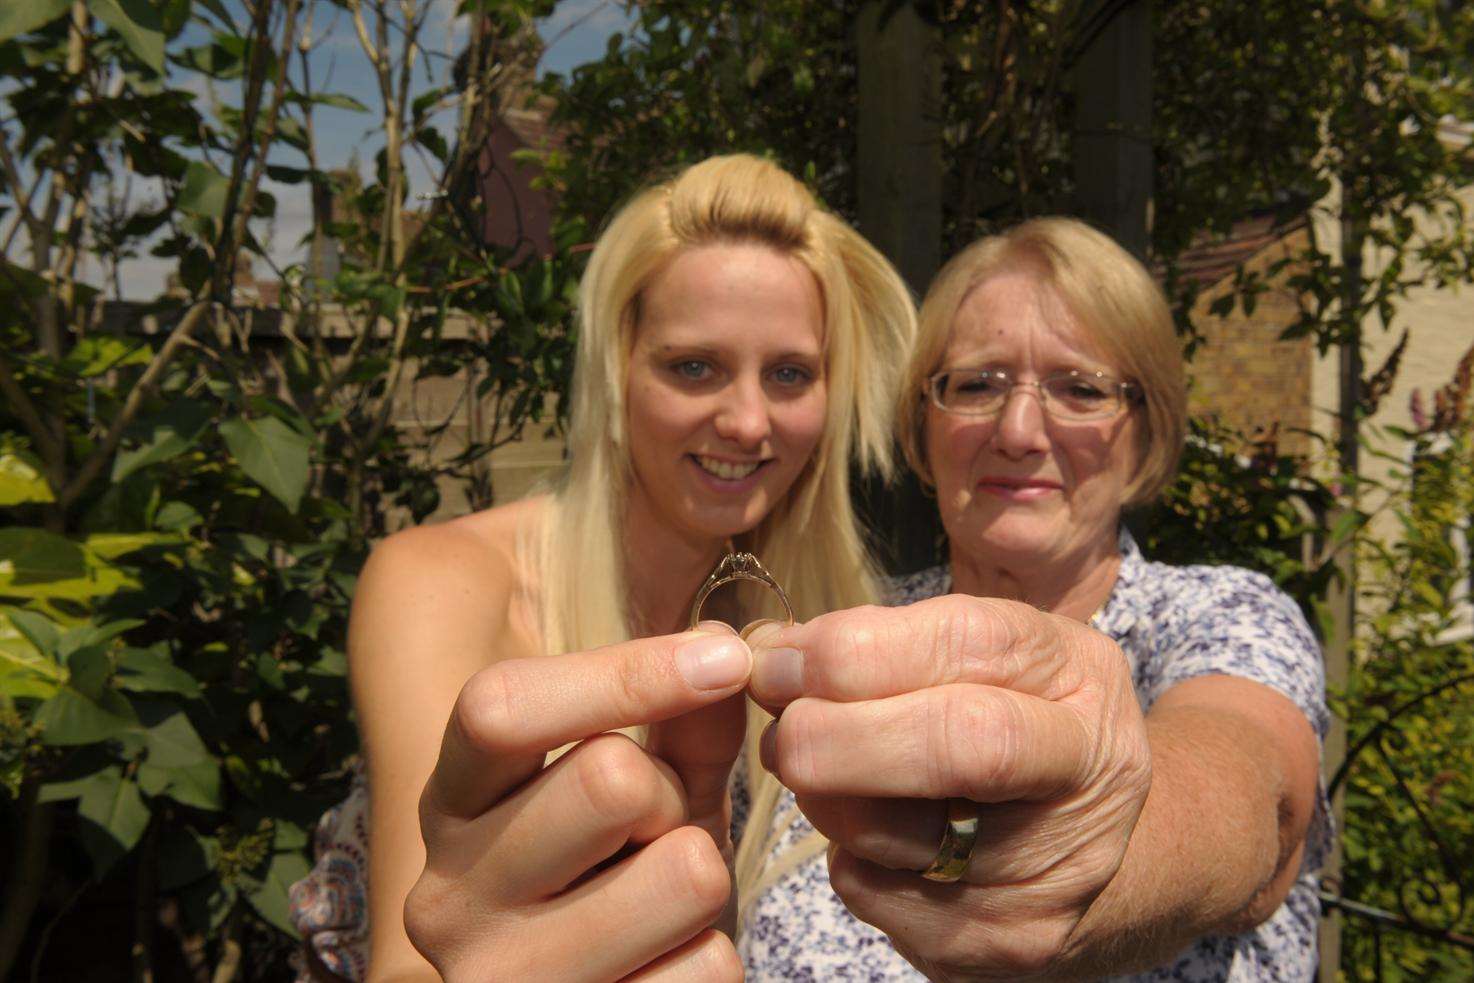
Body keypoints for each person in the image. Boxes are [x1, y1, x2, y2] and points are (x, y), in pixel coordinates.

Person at [286, 153, 917, 981]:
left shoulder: (829, 618)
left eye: (791, 373)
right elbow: (412, 960)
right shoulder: (439, 581)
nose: (748, 419)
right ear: (616, 368)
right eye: (695, 366)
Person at [737, 216, 1329, 980]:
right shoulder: (844, 628)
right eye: (977, 384)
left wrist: (1089, 845)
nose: (1018, 431)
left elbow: (1255, 802)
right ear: (926, 421)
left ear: (1144, 434)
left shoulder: (1222, 616)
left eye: (1080, 388)